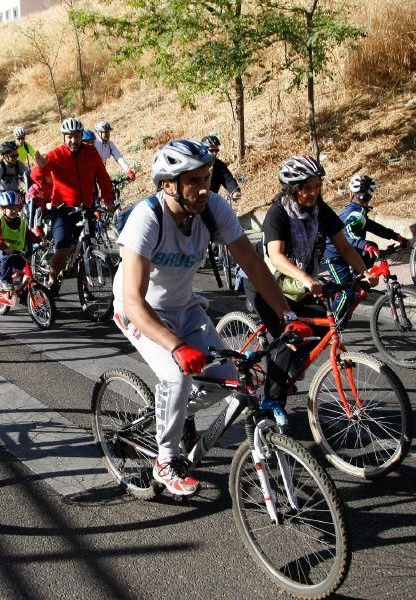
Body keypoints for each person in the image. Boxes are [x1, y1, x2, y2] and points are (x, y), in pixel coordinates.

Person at [113, 139, 299, 497]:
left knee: (225, 380)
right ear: (169, 184)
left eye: (206, 178)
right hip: (140, 310)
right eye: (194, 181)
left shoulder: (213, 209)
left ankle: (172, 414)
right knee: (175, 375)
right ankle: (165, 460)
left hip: (184, 307)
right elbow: (133, 302)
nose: (204, 189)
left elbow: (254, 265)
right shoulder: (147, 218)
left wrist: (287, 315)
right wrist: (177, 347)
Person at [256, 155, 378, 424]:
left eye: (317, 186)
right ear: (292, 188)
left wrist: (364, 272)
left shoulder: (320, 210)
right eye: (306, 187)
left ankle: (285, 368)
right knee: (290, 335)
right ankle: (271, 400)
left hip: (299, 286)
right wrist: (306, 278)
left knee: (325, 325)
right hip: (269, 284)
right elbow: (276, 256)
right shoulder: (278, 213)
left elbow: (344, 247)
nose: (313, 193)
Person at [35, 117, 114, 294]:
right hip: (62, 209)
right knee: (63, 248)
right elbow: (37, 177)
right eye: (69, 136)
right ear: (64, 137)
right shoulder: (56, 155)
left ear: (81, 136)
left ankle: (85, 288)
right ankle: (52, 279)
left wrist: (107, 199)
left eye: (77, 136)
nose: (73, 140)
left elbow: (102, 177)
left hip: (85, 208)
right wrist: (40, 167)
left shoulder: (91, 152)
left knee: (87, 249)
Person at [321, 174, 408, 319]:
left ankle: (357, 279)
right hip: (334, 255)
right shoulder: (355, 212)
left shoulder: (357, 211)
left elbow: (373, 227)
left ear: (351, 193)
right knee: (346, 292)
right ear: (370, 197)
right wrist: (365, 245)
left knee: (371, 249)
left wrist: (395, 236)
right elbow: (347, 232)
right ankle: (331, 326)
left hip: (346, 251)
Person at [0, 191, 41, 292]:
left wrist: (40, 241)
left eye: (15, 208)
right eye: (10, 208)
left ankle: (25, 294)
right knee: (7, 256)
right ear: (3, 209)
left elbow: (29, 235)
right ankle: (5, 281)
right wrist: (5, 248)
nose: (13, 211)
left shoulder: (22, 222)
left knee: (27, 269)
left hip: (16, 252)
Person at [201, 135, 241, 199]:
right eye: (212, 150)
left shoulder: (218, 165)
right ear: (203, 150)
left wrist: (235, 191)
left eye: (216, 150)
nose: (215, 153)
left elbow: (228, 179)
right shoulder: (196, 164)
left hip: (211, 201)